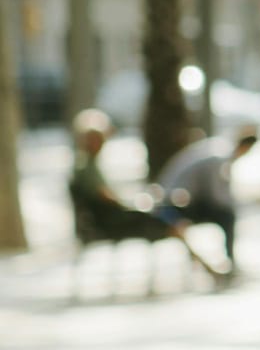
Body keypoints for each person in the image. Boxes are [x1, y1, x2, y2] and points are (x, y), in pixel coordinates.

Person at [68, 111, 223, 277]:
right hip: (112, 222)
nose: (103, 142)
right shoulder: (86, 167)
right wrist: (130, 203)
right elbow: (105, 197)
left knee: (167, 216)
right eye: (98, 139)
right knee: (169, 220)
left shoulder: (87, 165)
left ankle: (204, 264)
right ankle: (205, 266)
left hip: (112, 218)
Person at [157, 127, 258, 270]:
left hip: (178, 196)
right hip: (175, 201)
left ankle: (227, 262)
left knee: (225, 213)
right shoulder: (219, 158)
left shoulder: (217, 148)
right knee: (227, 216)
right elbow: (216, 195)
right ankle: (230, 262)